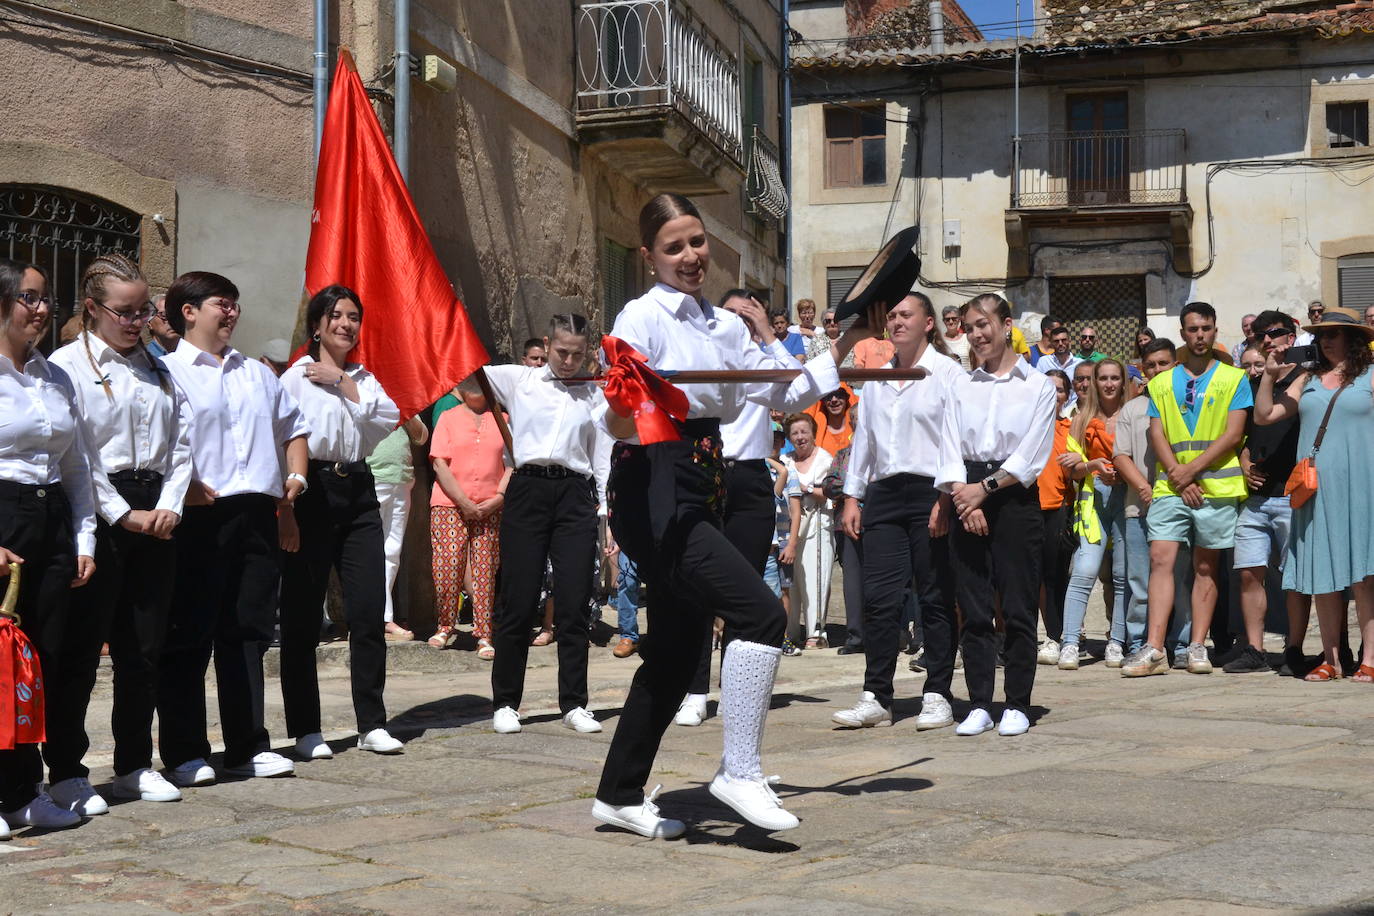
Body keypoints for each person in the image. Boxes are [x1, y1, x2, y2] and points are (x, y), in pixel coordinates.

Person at [592, 192, 856, 838]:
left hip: (702, 477)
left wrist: (839, 350)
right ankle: (739, 769)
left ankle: (619, 793)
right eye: (674, 246)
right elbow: (614, 420)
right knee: (762, 612)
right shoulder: (640, 318)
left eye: (697, 241)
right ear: (650, 255)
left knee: (678, 649)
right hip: (652, 485)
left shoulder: (727, 327)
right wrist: (629, 392)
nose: (690, 256)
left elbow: (781, 392)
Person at [47, 254, 191, 814]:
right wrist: (120, 515)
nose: (136, 321)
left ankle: (133, 763)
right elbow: (77, 455)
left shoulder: (159, 368)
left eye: (144, 310)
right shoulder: (67, 367)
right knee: (81, 652)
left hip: (155, 511)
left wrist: (171, 506)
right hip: (96, 511)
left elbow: (182, 444)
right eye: (124, 311)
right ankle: (66, 771)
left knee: (143, 649)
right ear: (92, 308)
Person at [158, 271, 310, 785]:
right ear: (189, 311)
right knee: (191, 632)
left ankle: (247, 745)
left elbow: (293, 428)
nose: (232, 313)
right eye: (223, 304)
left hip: (255, 512)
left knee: (248, 633)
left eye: (236, 304)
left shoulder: (257, 373)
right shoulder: (168, 372)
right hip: (202, 513)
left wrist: (295, 478)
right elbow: (158, 443)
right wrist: (185, 487)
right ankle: (184, 752)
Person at [678, 288, 825, 726]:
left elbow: (799, 389)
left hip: (748, 481)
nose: (740, 324)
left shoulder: (764, 364)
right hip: (706, 474)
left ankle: (737, 691)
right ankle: (694, 690)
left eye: (750, 317)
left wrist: (767, 333)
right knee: (698, 590)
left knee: (743, 591)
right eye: (733, 316)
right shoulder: (702, 358)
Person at [277, 285, 403, 760]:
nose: (346, 325)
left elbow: (386, 418)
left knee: (369, 610)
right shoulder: (293, 378)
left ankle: (371, 721)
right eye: (336, 316)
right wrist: (285, 510)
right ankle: (306, 728)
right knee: (303, 615)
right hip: (312, 490)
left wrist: (343, 382)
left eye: (353, 317)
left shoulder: (364, 378)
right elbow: (283, 440)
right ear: (317, 324)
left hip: (360, 489)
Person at [832, 292, 964, 732]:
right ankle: (877, 695)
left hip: (930, 490)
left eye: (906, 314)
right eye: (892, 315)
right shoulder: (878, 378)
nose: (896, 321)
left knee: (934, 596)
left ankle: (937, 693)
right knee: (880, 598)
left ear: (929, 323)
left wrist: (946, 497)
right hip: (884, 494)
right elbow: (865, 440)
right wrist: (853, 496)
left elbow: (954, 439)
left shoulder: (945, 372)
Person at [0, 260, 96, 833]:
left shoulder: (54, 376)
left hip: (50, 516)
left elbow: (77, 463)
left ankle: (20, 792)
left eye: (45, 299)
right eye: (29, 298)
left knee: (41, 661)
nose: (41, 309)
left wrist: (83, 537)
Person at [484, 314, 609, 736]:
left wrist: (606, 511)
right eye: (561, 352)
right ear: (546, 344)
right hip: (528, 490)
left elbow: (602, 454)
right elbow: (465, 370)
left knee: (574, 601)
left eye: (577, 353)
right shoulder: (519, 380)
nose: (568, 360)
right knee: (518, 599)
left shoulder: (594, 393)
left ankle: (574, 702)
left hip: (575, 495)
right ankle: (505, 702)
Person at [939, 294, 1056, 737]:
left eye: (984, 324)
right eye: (969, 327)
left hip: (1011, 497)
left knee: (1019, 603)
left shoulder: (1037, 385)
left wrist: (982, 492)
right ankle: (981, 701)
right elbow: (948, 446)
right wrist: (962, 498)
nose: (977, 334)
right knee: (973, 606)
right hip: (966, 492)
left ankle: (1018, 702)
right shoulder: (961, 385)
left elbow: (1032, 455)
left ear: (1006, 325)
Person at [1122, 302, 1250, 678]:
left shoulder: (1233, 378)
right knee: (1161, 558)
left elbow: (1233, 434)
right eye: (1193, 329)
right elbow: (1156, 433)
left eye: (1206, 328)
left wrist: (1191, 472)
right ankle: (1155, 647)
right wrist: (1180, 476)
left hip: (1215, 486)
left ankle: (1196, 646)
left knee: (1206, 566)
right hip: (1171, 485)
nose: (1199, 335)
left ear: (1214, 331)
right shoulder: (1160, 382)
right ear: (1183, 333)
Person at [1256, 307, 1374, 682]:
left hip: (1362, 485)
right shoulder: (1307, 377)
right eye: (1322, 334)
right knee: (1322, 571)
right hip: (1314, 489)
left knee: (1364, 576)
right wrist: (1269, 375)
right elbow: (1265, 415)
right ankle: (1331, 660)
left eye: (1334, 334)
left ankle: (1370, 658)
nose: (1325, 340)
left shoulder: (1371, 376)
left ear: (1354, 340)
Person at [1222, 310, 1312, 675]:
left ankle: (1294, 648)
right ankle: (1255, 648)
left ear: (1291, 337)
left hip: (1294, 494)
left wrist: (1275, 374)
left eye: (1274, 334)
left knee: (1293, 576)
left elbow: (1268, 417)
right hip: (1257, 498)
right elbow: (1249, 432)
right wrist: (1243, 461)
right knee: (1248, 572)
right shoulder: (1255, 381)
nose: (1268, 341)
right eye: (1261, 337)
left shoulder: (1306, 379)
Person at [1114, 339, 1191, 660]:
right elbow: (1121, 456)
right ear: (1142, 369)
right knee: (1140, 581)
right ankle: (1138, 642)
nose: (1157, 370)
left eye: (1164, 363)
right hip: (1139, 505)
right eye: (1151, 365)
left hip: (1178, 503)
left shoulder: (1187, 403)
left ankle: (1183, 643)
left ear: (1175, 365)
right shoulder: (1132, 409)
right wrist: (1144, 488)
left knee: (1180, 580)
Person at [428, 377, 510, 659]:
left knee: (486, 568)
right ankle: (445, 625)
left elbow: (514, 461)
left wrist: (498, 497)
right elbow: (439, 462)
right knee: (448, 566)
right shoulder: (448, 417)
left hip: (491, 504)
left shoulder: (503, 419)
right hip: (449, 503)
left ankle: (484, 633)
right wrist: (463, 502)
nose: (474, 384)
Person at [1056, 359, 1129, 669]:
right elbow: (1071, 470)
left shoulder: (1134, 413)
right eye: (1104, 378)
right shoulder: (1081, 419)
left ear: (1124, 381)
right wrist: (1092, 465)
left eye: (1115, 378)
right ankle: (1069, 642)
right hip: (1093, 500)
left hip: (1128, 499)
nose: (1109, 384)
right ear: (1095, 383)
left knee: (1124, 576)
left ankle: (1117, 641)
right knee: (1084, 572)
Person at [367, 415, 428, 641]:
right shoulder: (359, 388)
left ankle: (384, 617)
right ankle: (371, 617)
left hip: (402, 478)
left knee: (392, 552)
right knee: (369, 551)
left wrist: (406, 410)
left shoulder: (400, 394)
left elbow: (421, 437)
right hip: (372, 477)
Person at [1034, 369, 1075, 667]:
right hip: (1026, 510)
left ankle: (1055, 635)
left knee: (1055, 576)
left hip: (1058, 508)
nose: (1054, 394)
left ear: (1066, 395)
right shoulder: (1027, 427)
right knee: (1028, 578)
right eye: (1049, 388)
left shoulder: (1070, 429)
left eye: (1060, 389)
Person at [783, 413, 834, 649]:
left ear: (813, 432)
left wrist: (804, 488)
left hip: (817, 524)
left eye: (804, 431)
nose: (800, 437)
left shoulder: (825, 459)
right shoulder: (785, 460)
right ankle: (790, 631)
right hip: (789, 528)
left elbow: (830, 492)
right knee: (790, 581)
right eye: (795, 433)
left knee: (815, 578)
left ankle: (816, 631)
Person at [804, 385, 858, 456]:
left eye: (839, 394)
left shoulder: (858, 427)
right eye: (828, 395)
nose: (834, 400)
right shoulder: (813, 429)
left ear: (847, 397)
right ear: (823, 400)